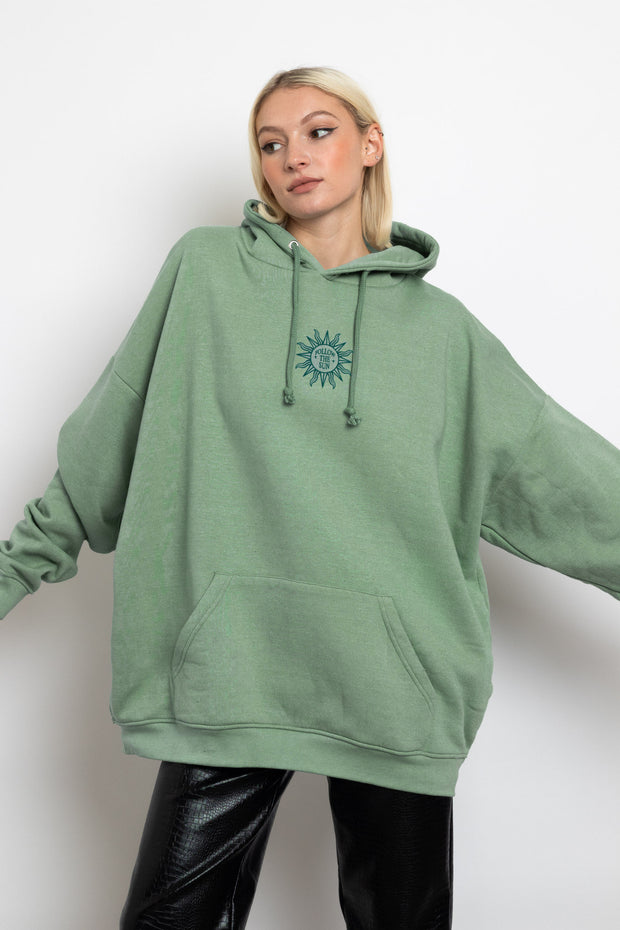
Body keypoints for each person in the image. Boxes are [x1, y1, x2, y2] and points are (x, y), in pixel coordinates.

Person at [1, 65, 619, 930]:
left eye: (319, 131)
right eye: (271, 142)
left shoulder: (444, 336)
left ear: (370, 145)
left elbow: (565, 478)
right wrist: (15, 570)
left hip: (393, 691)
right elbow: (109, 438)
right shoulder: (204, 273)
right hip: (229, 673)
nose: (293, 155)